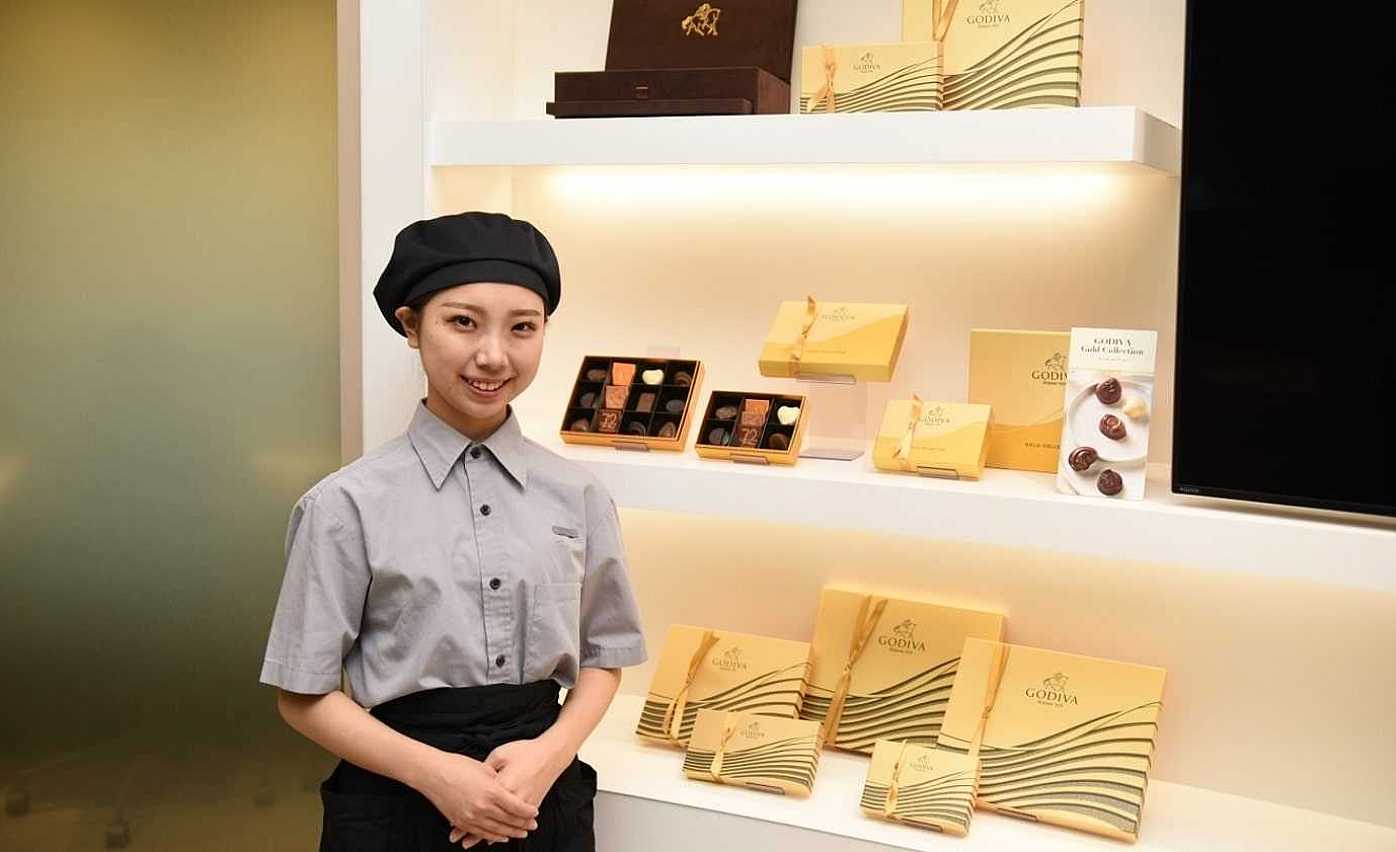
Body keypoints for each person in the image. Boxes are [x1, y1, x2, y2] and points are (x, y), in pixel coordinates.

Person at [258, 212, 647, 851]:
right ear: (411, 326)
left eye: (522, 327)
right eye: (463, 322)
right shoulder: (344, 504)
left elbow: (605, 656)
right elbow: (302, 695)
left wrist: (548, 756)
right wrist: (439, 776)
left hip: (539, 798)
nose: (493, 355)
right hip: (395, 804)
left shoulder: (580, 495)